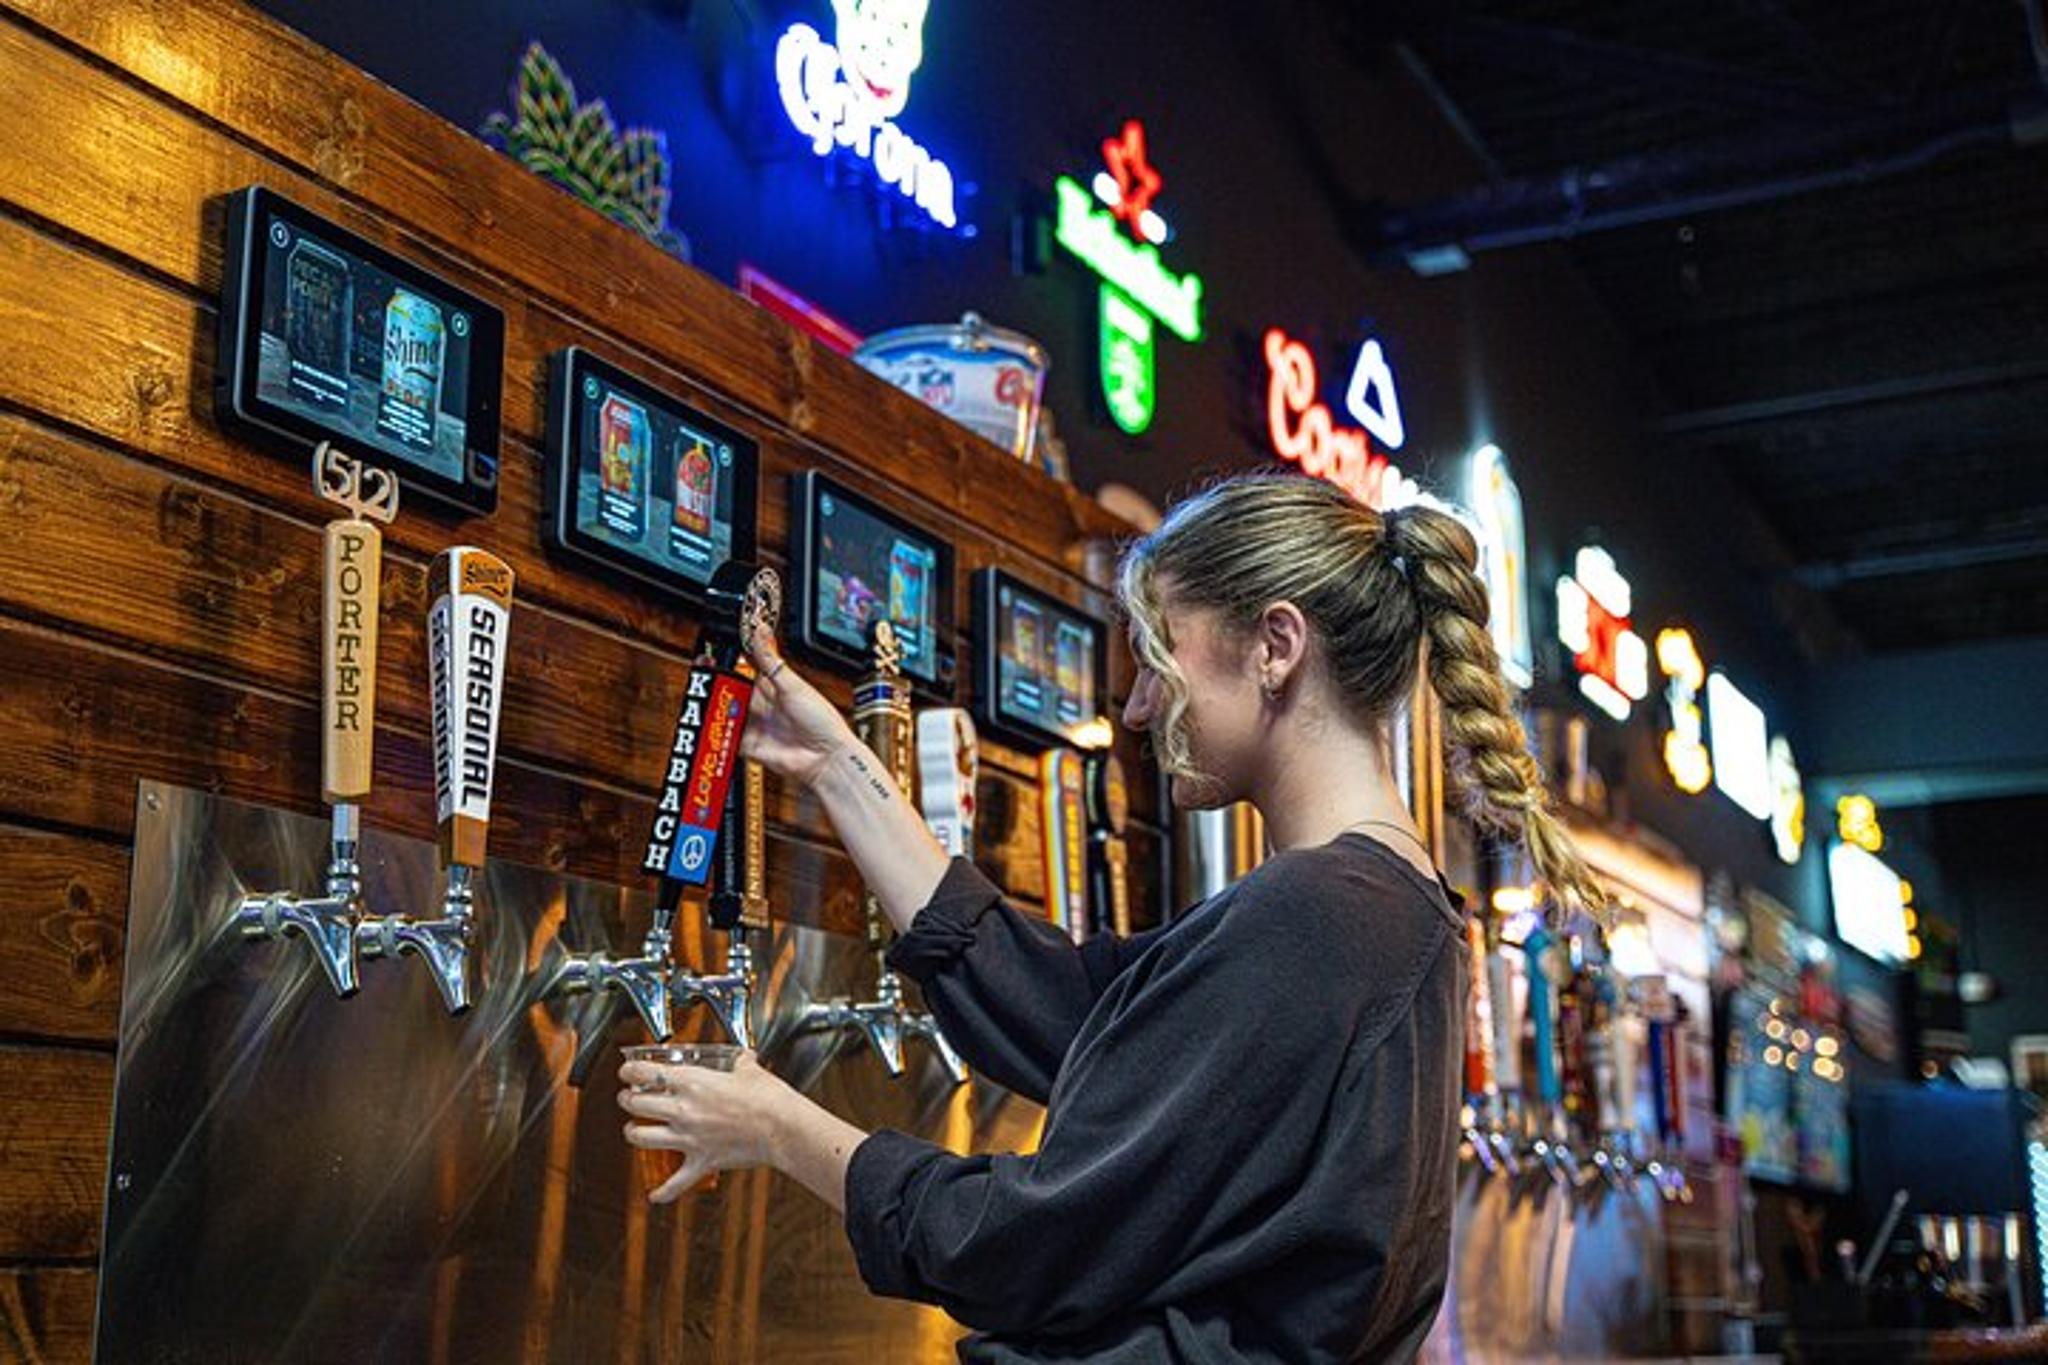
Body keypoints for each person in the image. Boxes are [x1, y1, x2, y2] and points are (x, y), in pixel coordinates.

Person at [618, 473, 1607, 1362]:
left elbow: (1032, 1247)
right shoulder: (1393, 908)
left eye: (1155, 656)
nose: (1135, 709)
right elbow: (1077, 1009)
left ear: (1274, 645)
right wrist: (836, 765)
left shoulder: (1317, 916)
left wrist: (777, 1126)